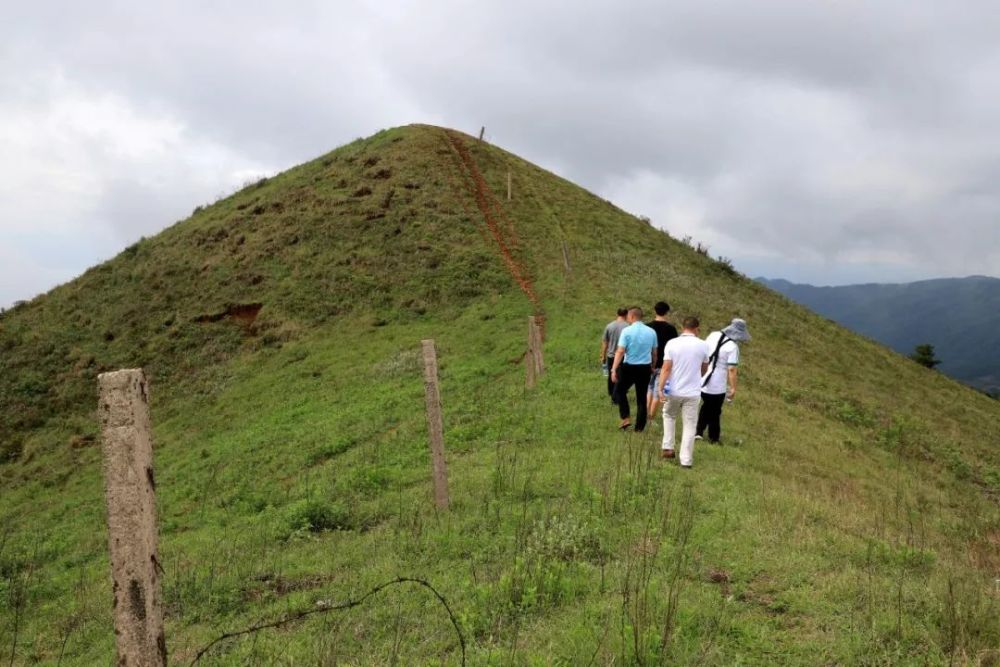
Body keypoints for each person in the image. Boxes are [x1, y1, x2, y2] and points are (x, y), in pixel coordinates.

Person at [657, 316, 709, 467]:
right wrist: (697, 375)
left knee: (669, 415)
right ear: (696, 328)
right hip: (692, 392)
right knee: (690, 425)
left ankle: (668, 447)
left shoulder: (672, 343)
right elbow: (704, 367)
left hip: (673, 389)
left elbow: (666, 368)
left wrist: (660, 388)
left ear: (683, 327)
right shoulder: (703, 345)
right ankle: (686, 460)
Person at [697, 318, 751, 443]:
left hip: (702, 377)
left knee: (706, 406)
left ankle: (698, 431)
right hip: (717, 384)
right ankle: (713, 437)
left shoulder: (713, 335)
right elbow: (731, 370)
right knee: (715, 411)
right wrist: (733, 388)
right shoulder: (733, 347)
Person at [610, 307, 657, 431]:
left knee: (619, 391)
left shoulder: (627, 331)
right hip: (644, 368)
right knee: (642, 398)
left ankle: (625, 417)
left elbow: (620, 351)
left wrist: (613, 369)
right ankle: (639, 428)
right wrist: (652, 366)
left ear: (631, 316)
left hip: (629, 367)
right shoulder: (651, 332)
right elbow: (654, 352)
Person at [646, 301, 679, 420]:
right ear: (667, 312)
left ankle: (645, 415)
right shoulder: (671, 329)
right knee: (657, 392)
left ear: (655, 310)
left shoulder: (647, 326)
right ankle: (651, 418)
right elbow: (676, 347)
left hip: (648, 363)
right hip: (664, 365)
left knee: (648, 390)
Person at [600, 308, 629, 404]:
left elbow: (605, 342)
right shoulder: (628, 327)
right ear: (626, 315)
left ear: (617, 314)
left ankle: (611, 392)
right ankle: (615, 397)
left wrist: (603, 355)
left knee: (611, 375)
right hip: (622, 355)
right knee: (620, 377)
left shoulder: (609, 326)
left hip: (611, 355)